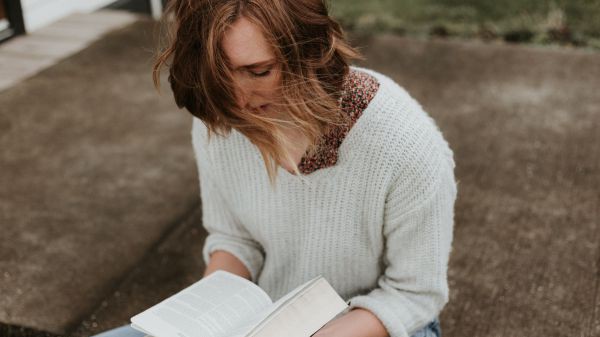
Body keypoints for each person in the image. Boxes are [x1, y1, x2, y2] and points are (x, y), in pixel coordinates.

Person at [93, 1, 456, 337]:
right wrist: (205, 320)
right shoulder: (219, 115)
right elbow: (236, 239)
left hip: (377, 323)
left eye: (259, 71)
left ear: (310, 52)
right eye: (220, 76)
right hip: (265, 320)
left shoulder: (405, 144)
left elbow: (413, 295)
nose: (239, 99)